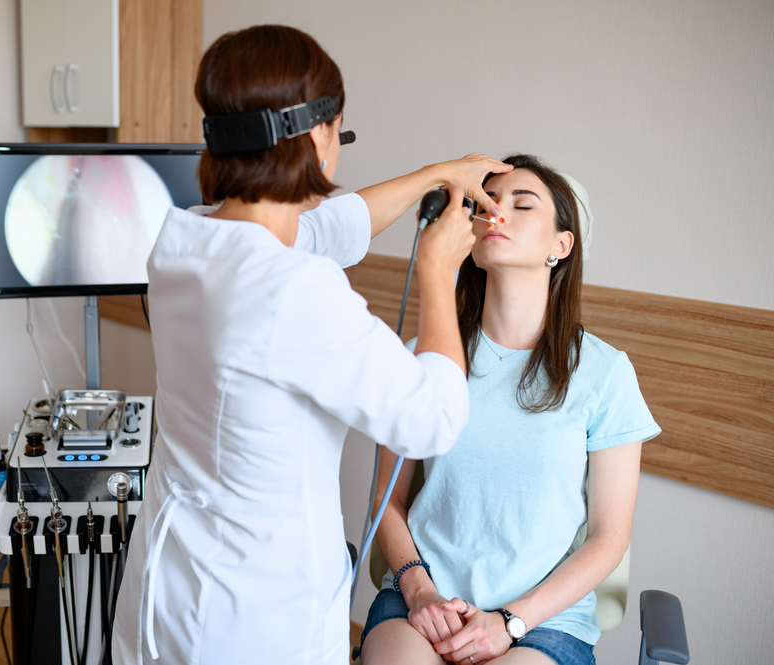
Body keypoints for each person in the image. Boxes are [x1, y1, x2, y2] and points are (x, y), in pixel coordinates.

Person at [111, 24, 512, 665]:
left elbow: (328, 228)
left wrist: (439, 174)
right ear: (317, 137)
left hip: (172, 579)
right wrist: (439, 273)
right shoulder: (292, 290)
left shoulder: (184, 240)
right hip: (253, 612)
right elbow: (430, 420)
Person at [359, 154, 661, 665]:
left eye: (523, 205)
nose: (497, 214)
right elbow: (388, 502)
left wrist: (511, 621)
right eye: (488, 204)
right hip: (424, 598)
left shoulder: (605, 374)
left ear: (561, 246)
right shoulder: (424, 356)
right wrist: (418, 590)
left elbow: (609, 539)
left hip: (543, 620)